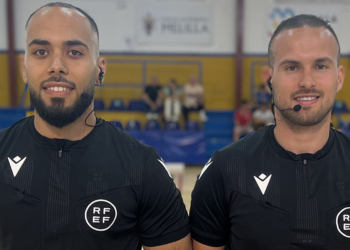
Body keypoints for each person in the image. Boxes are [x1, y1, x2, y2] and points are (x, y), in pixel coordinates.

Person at [0, 2, 191, 249]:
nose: (56, 65)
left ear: (100, 70)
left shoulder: (142, 167)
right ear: (24, 69)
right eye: (40, 52)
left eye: (75, 52)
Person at [190, 14, 349, 249]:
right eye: (292, 67)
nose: (307, 81)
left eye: (321, 66)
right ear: (270, 78)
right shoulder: (224, 170)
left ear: (339, 77)